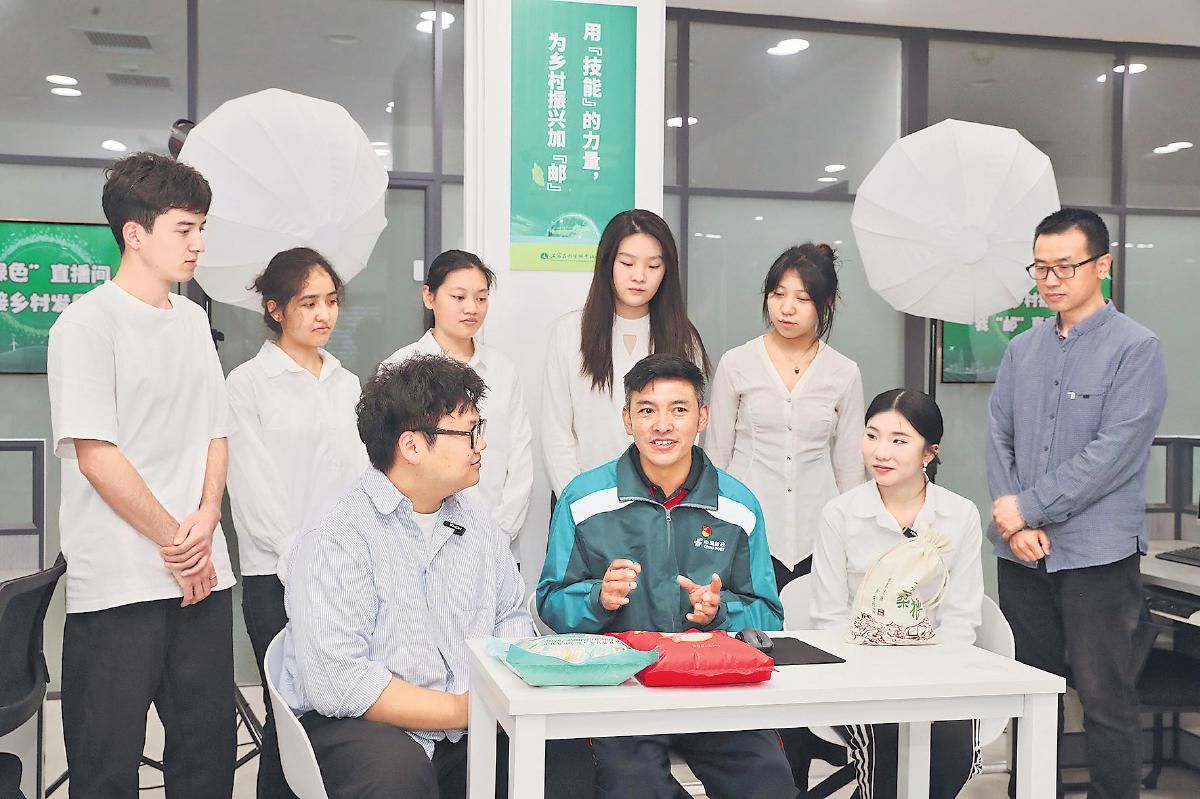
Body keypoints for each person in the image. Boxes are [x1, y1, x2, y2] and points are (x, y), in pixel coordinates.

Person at [279, 354, 590, 798]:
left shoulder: (477, 524)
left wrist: (505, 698)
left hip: (468, 722)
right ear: (411, 447)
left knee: (564, 755)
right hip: (362, 725)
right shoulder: (338, 535)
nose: (481, 445)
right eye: (469, 432)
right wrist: (463, 711)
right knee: (397, 774)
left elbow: (510, 617)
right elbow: (338, 681)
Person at [46, 152, 235, 797]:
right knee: (106, 764)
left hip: (203, 577)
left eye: (201, 227)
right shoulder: (85, 325)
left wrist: (207, 518)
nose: (198, 243)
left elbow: (216, 432)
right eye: (184, 228)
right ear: (135, 232)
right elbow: (97, 455)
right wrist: (178, 543)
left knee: (206, 757)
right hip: (119, 583)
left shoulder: (193, 322)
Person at [538, 353, 795, 799]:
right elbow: (549, 602)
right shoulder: (584, 499)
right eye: (647, 410)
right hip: (622, 690)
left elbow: (770, 616)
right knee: (632, 786)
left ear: (702, 417)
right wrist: (598, 598)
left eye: (679, 409)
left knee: (768, 781)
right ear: (627, 419)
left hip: (715, 690)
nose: (663, 425)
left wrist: (720, 612)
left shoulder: (738, 505)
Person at [987, 208, 1167, 799]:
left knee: (1105, 699)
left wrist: (1028, 509)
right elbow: (1000, 437)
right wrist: (1014, 525)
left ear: (1103, 265)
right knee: (1031, 696)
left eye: (1065, 266)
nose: (1050, 280)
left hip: (1098, 555)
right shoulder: (1022, 350)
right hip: (1022, 555)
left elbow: (1113, 454)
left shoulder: (1136, 349)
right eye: (1040, 268)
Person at [225, 246, 368, 799]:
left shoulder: (347, 383)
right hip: (277, 575)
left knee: (340, 711)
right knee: (286, 713)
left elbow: (362, 480)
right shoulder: (248, 384)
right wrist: (304, 560)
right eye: (308, 303)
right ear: (275, 308)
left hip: (346, 574)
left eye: (330, 301)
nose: (323, 314)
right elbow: (253, 492)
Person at [809, 388, 983, 798]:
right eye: (872, 436)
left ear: (929, 453)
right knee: (888, 750)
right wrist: (872, 676)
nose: (880, 452)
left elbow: (961, 617)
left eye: (899, 440)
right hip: (859, 673)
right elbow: (829, 616)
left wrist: (936, 678)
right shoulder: (841, 514)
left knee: (952, 751)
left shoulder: (960, 514)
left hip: (939, 672)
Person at [705, 243, 865, 591]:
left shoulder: (844, 372)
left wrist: (852, 535)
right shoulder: (736, 363)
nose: (787, 308)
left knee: (813, 620)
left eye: (802, 298)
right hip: (746, 525)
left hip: (818, 530)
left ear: (826, 302)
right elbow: (717, 454)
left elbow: (850, 466)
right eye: (778, 294)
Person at [542, 209, 710, 498]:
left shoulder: (684, 338)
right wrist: (579, 501)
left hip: (662, 501)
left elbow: (688, 432)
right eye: (627, 263)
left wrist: (666, 497)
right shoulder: (570, 333)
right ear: (607, 263)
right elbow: (556, 432)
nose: (639, 276)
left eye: (653, 266)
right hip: (584, 497)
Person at [381, 249, 533, 561]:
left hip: (497, 540)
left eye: (481, 298)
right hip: (418, 540)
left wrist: (500, 532)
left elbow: (520, 457)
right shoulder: (399, 368)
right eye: (459, 297)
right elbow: (385, 462)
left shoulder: (503, 371)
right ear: (429, 297)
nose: (471, 308)